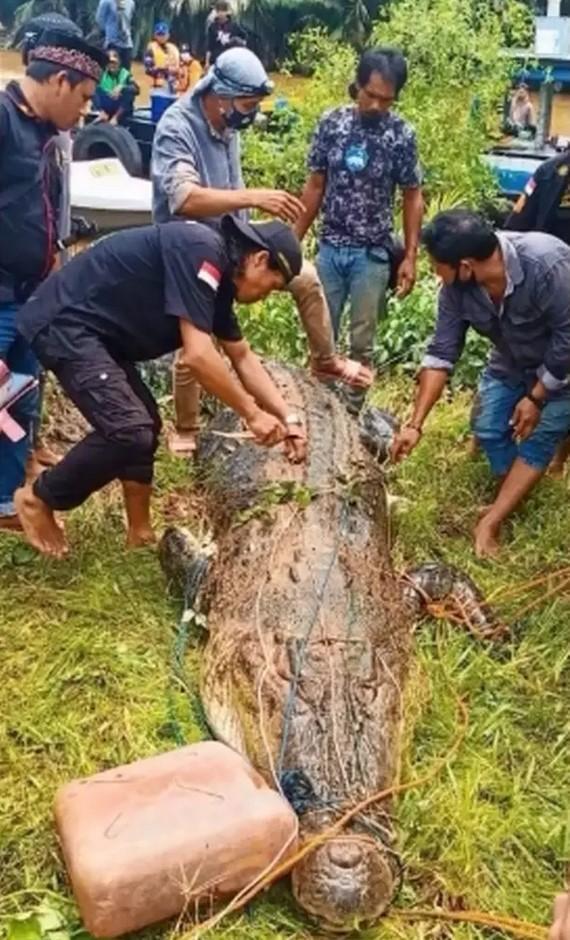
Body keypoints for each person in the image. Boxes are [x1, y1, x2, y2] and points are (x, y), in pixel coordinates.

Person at [15, 216, 307, 558]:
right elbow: (198, 355)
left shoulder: (219, 284)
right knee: (128, 429)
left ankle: (139, 532)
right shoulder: (202, 251)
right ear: (259, 258)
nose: (265, 297)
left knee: (145, 425)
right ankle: (38, 498)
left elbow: (242, 357)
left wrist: (288, 418)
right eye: (271, 285)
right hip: (66, 322)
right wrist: (252, 414)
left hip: (102, 338)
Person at [151, 46, 372, 456]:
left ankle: (325, 359)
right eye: (247, 104)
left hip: (231, 241)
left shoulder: (228, 129)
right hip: (187, 248)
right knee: (194, 345)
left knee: (304, 277)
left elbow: (233, 198)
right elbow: (182, 198)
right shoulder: (177, 126)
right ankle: (186, 428)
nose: (250, 114)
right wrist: (251, 197)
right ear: (220, 94)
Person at [391, 210, 570, 558]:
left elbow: (568, 337)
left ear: (467, 265)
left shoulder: (548, 264)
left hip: (562, 368)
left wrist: (536, 397)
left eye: (436, 264)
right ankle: (513, 489)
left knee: (539, 438)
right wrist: (415, 424)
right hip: (511, 360)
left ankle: (493, 521)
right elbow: (442, 352)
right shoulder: (457, 289)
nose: (433, 272)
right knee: (487, 427)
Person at [0, 30, 105, 533]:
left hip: (33, 299)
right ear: (60, 80)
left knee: (17, 399)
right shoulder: (2, 121)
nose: (86, 110)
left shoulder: (50, 137)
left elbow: (47, 220)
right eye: (84, 97)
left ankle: (3, 501)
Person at [295, 47, 424, 414]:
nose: (377, 106)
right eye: (371, 96)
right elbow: (315, 186)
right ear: (358, 86)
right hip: (330, 249)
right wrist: (291, 241)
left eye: (387, 100)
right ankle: (318, 410)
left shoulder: (401, 134)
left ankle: (350, 415)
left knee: (362, 342)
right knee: (322, 337)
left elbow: (412, 195)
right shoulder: (332, 123)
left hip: (372, 254)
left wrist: (410, 257)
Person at [505, 147, 570, 477]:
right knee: (529, 362)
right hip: (547, 288)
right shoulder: (551, 173)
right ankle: (497, 437)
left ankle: (559, 456)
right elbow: (516, 226)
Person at [93, 47, 138, 124]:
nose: (112, 65)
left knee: (129, 93)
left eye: (114, 63)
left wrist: (122, 87)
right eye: (109, 63)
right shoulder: (102, 74)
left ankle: (116, 118)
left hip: (120, 107)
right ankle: (102, 113)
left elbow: (136, 89)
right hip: (106, 104)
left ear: (119, 62)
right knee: (93, 89)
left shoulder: (126, 74)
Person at [96, 0, 135, 71]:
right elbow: (100, 20)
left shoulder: (130, 2)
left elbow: (129, 20)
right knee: (111, 71)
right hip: (112, 43)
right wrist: (110, 31)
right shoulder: (106, 2)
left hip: (127, 43)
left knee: (125, 73)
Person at [206, 0, 246, 67]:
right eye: (218, 11)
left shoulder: (234, 26)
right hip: (216, 60)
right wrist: (207, 62)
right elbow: (209, 46)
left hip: (230, 61)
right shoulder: (212, 27)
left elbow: (244, 38)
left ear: (227, 12)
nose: (220, 13)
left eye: (223, 10)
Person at [144, 21, 180, 91]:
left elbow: (179, 67)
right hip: (158, 88)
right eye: (159, 34)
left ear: (168, 35)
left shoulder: (173, 48)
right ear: (155, 35)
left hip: (173, 88)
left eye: (163, 34)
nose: (161, 37)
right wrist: (166, 70)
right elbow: (149, 69)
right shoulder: (150, 49)